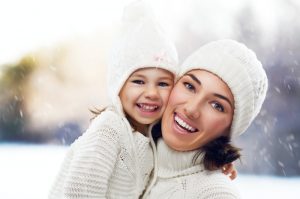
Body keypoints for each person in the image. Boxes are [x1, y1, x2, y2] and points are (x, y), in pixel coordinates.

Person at [48, 1, 179, 198]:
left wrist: (219, 161)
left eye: (162, 84)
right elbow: (80, 190)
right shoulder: (109, 130)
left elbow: (186, 163)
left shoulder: (156, 135)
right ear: (118, 86)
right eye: (138, 81)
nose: (152, 92)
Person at [143, 39, 268, 199]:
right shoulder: (127, 149)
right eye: (189, 86)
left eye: (216, 105)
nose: (192, 109)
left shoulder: (215, 194)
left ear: (229, 128)